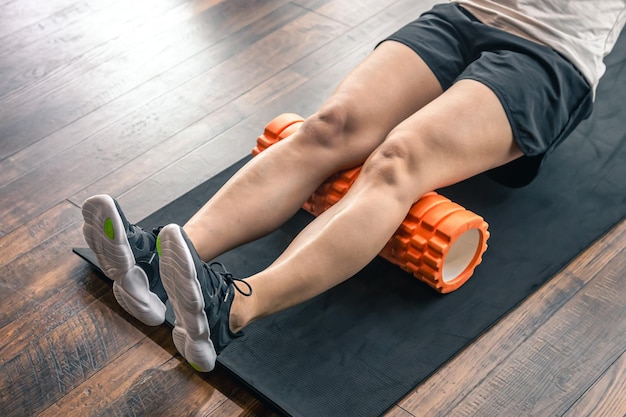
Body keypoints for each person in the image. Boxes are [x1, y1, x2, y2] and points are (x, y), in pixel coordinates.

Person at [81, 1, 626, 372]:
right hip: (462, 15)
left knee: (398, 159)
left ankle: (231, 310)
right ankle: (155, 262)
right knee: (329, 126)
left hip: (550, 52)